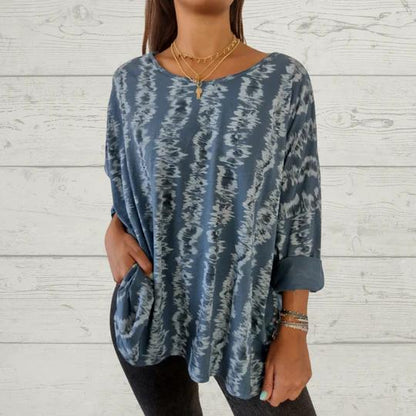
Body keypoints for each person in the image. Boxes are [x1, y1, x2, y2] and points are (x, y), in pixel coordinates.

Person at [104, 0, 325, 414]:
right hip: (150, 307)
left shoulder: (283, 80)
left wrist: (294, 327)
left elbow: (300, 210)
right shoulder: (131, 82)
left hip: (248, 316)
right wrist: (113, 227)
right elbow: (128, 183)